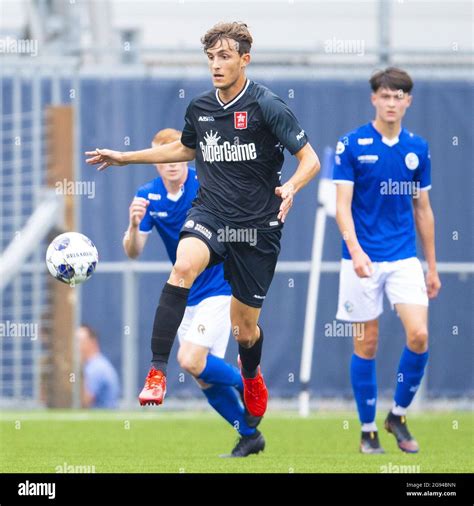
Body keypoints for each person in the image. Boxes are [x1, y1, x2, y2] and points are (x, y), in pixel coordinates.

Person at [86, 22, 320, 417]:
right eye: (211, 57)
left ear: (245, 60)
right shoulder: (200, 108)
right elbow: (183, 148)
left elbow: (310, 160)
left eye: (225, 56)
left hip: (256, 227)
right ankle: (157, 372)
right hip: (210, 212)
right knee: (182, 265)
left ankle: (251, 375)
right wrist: (125, 158)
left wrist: (293, 186)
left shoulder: (267, 106)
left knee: (245, 331)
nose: (216, 64)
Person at [123, 127, 264, 457]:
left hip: (219, 289)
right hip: (186, 297)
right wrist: (132, 225)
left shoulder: (204, 184)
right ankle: (249, 435)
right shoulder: (148, 195)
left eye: (177, 154)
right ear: (156, 161)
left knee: (189, 359)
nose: (172, 163)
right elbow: (133, 250)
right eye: (164, 157)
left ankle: (248, 384)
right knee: (202, 375)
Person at [333, 67, 441, 454]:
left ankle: (397, 415)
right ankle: (367, 429)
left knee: (419, 335)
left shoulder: (418, 149)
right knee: (367, 345)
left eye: (399, 96)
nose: (392, 102)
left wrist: (431, 265)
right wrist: (356, 250)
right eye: (385, 95)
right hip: (359, 259)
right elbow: (341, 207)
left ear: (408, 101)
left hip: (403, 259)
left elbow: (423, 209)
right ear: (374, 99)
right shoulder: (351, 144)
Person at [77, 324, 120, 409]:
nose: (75, 346)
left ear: (92, 342)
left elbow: (84, 402)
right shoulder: (96, 364)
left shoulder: (96, 368)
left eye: (79, 341)